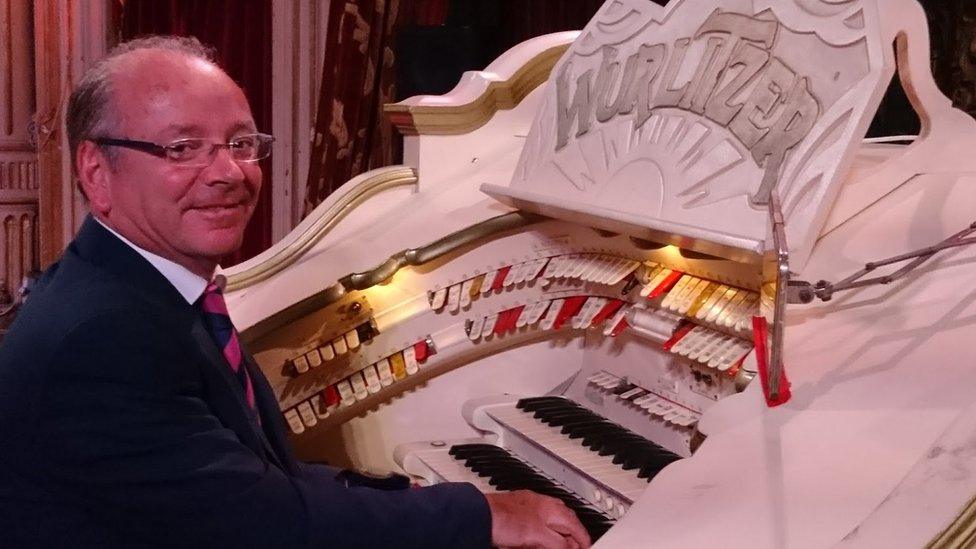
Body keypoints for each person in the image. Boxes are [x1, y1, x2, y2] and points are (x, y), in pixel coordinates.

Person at [0, 36, 590, 549]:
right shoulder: (103, 333)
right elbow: (262, 523)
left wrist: (421, 494)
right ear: (96, 172)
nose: (229, 172)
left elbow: (259, 484)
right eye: (182, 148)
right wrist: (476, 514)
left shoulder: (143, 289)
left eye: (239, 143)